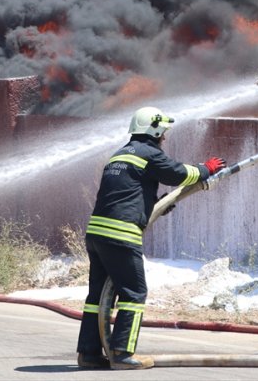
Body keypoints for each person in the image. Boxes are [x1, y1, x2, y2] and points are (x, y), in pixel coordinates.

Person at [76, 106, 226, 370]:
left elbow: (127, 193)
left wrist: (154, 205)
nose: (165, 137)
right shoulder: (149, 153)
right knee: (134, 294)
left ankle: (88, 354)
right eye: (163, 132)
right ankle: (122, 354)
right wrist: (206, 168)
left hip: (96, 234)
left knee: (97, 297)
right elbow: (179, 174)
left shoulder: (120, 155)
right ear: (154, 129)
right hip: (121, 234)